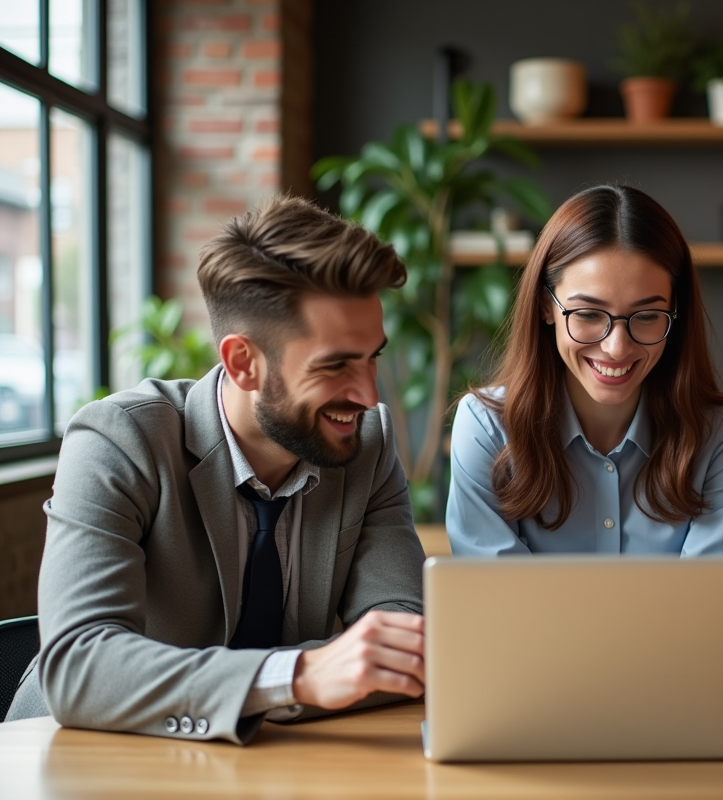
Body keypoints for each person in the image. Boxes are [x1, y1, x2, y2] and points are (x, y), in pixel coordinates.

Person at [6, 196, 427, 744]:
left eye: (372, 356)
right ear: (243, 363)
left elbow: (407, 644)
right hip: (81, 760)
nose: (368, 394)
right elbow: (79, 669)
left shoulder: (367, 440)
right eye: (336, 365)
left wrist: (261, 690)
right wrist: (297, 677)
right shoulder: (118, 441)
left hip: (269, 765)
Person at [446, 185, 723, 555]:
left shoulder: (720, 436)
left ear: (675, 313)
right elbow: (501, 605)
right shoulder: (487, 429)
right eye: (588, 314)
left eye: (647, 316)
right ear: (546, 307)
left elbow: (707, 602)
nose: (617, 347)